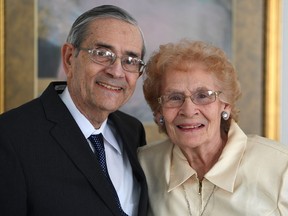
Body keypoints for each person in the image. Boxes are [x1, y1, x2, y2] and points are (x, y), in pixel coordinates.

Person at [0, 5, 148, 216]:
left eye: (130, 61)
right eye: (103, 53)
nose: (116, 71)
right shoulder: (10, 136)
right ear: (70, 57)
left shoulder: (132, 131)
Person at [138, 39, 288, 216]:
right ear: (159, 111)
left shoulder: (280, 167)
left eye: (203, 95)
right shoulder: (145, 164)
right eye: (174, 97)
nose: (188, 110)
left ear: (225, 105)